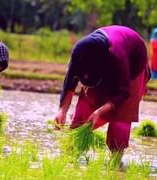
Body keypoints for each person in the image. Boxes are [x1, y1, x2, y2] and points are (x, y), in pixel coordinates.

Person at [54, 25, 150, 166]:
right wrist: (62, 111)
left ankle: (115, 160)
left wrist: (99, 111)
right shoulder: (80, 54)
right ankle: (71, 154)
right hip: (101, 64)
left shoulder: (117, 55)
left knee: (121, 115)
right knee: (85, 105)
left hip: (132, 64)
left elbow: (124, 92)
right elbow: (70, 83)